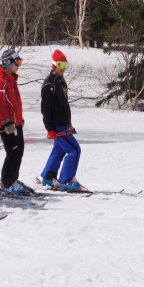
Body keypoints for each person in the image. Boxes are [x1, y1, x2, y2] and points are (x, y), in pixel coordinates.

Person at [40, 49, 83, 192]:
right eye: (60, 64)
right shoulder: (49, 84)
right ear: (54, 65)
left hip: (63, 123)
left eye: (66, 65)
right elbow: (45, 109)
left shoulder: (60, 80)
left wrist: (68, 122)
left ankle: (48, 177)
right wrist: (50, 129)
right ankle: (66, 181)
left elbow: (63, 104)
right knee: (74, 150)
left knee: (59, 150)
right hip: (57, 125)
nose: (63, 68)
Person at [0, 49, 30, 195]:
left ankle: (12, 179)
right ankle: (6, 184)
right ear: (8, 63)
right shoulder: (0, 80)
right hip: (7, 125)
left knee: (19, 152)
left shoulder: (11, 78)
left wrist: (19, 118)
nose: (18, 66)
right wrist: (6, 122)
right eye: (17, 62)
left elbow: (14, 103)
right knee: (12, 153)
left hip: (15, 123)